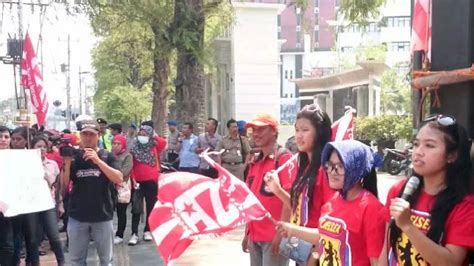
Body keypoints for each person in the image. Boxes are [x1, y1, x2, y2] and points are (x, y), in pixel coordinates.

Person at [379, 114, 474, 265]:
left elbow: (452, 262)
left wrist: (408, 226)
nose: (418, 152)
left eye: (429, 145)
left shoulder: (465, 205)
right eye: (416, 144)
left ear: (452, 155)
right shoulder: (399, 190)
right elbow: (386, 248)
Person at [277, 140, 385, 266]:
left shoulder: (371, 208)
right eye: (330, 165)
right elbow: (325, 235)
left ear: (356, 168)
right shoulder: (332, 201)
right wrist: (292, 230)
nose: (332, 172)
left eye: (340, 166)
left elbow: (377, 261)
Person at [264, 104, 333, 265]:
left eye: (305, 130)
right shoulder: (304, 168)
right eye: (297, 130)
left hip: (320, 251)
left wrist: (315, 256)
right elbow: (301, 210)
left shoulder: (327, 170)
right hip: (302, 249)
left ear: (319, 132)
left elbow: (332, 222)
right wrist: (277, 189)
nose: (299, 136)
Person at [62, 120, 123, 266]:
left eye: (92, 134)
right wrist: (68, 162)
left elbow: (118, 178)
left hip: (102, 216)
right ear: (80, 136)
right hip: (77, 216)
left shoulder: (107, 156)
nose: (88, 138)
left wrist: (98, 161)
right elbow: (65, 185)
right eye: (85, 134)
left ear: (98, 136)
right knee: (76, 261)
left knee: (106, 261)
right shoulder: (75, 156)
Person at [242, 113, 293, 266]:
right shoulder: (255, 161)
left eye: (261, 129)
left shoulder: (283, 159)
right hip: (255, 234)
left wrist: (281, 233)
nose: (256, 134)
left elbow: (290, 200)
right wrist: (247, 233)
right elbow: (250, 200)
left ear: (273, 131)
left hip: (273, 235)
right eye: (254, 130)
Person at [129, 125, 167, 245]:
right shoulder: (134, 147)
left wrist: (154, 134)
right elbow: (131, 166)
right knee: (136, 208)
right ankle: (134, 233)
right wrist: (133, 180)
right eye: (140, 134)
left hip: (152, 181)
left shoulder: (154, 146)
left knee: (151, 206)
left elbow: (163, 142)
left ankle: (148, 230)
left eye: (145, 134)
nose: (142, 136)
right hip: (138, 182)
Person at [31, 136, 65, 265]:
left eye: (44, 146)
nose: (42, 149)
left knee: (54, 236)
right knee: (33, 238)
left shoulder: (53, 164)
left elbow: (57, 187)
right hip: (31, 204)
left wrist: (61, 203)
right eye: (38, 146)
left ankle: (61, 261)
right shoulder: (27, 165)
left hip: (48, 203)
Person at [10, 126, 40, 266]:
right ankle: (15, 261)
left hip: (30, 202)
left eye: (19, 139)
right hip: (13, 203)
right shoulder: (6, 156)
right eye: (13, 139)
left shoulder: (33, 156)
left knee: (32, 236)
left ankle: (32, 261)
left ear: (26, 141)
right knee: (16, 236)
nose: (15, 142)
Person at [111, 135, 133, 245]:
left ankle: (120, 234)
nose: (116, 146)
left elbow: (124, 172)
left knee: (121, 212)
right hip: (109, 187)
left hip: (121, 187)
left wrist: (112, 175)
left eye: (118, 143)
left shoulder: (127, 156)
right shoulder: (109, 155)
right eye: (114, 143)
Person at [0, 126, 14, 266]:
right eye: (0, 137)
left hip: (11, 208)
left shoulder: (18, 157)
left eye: (6, 137)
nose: (3, 140)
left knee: (9, 244)